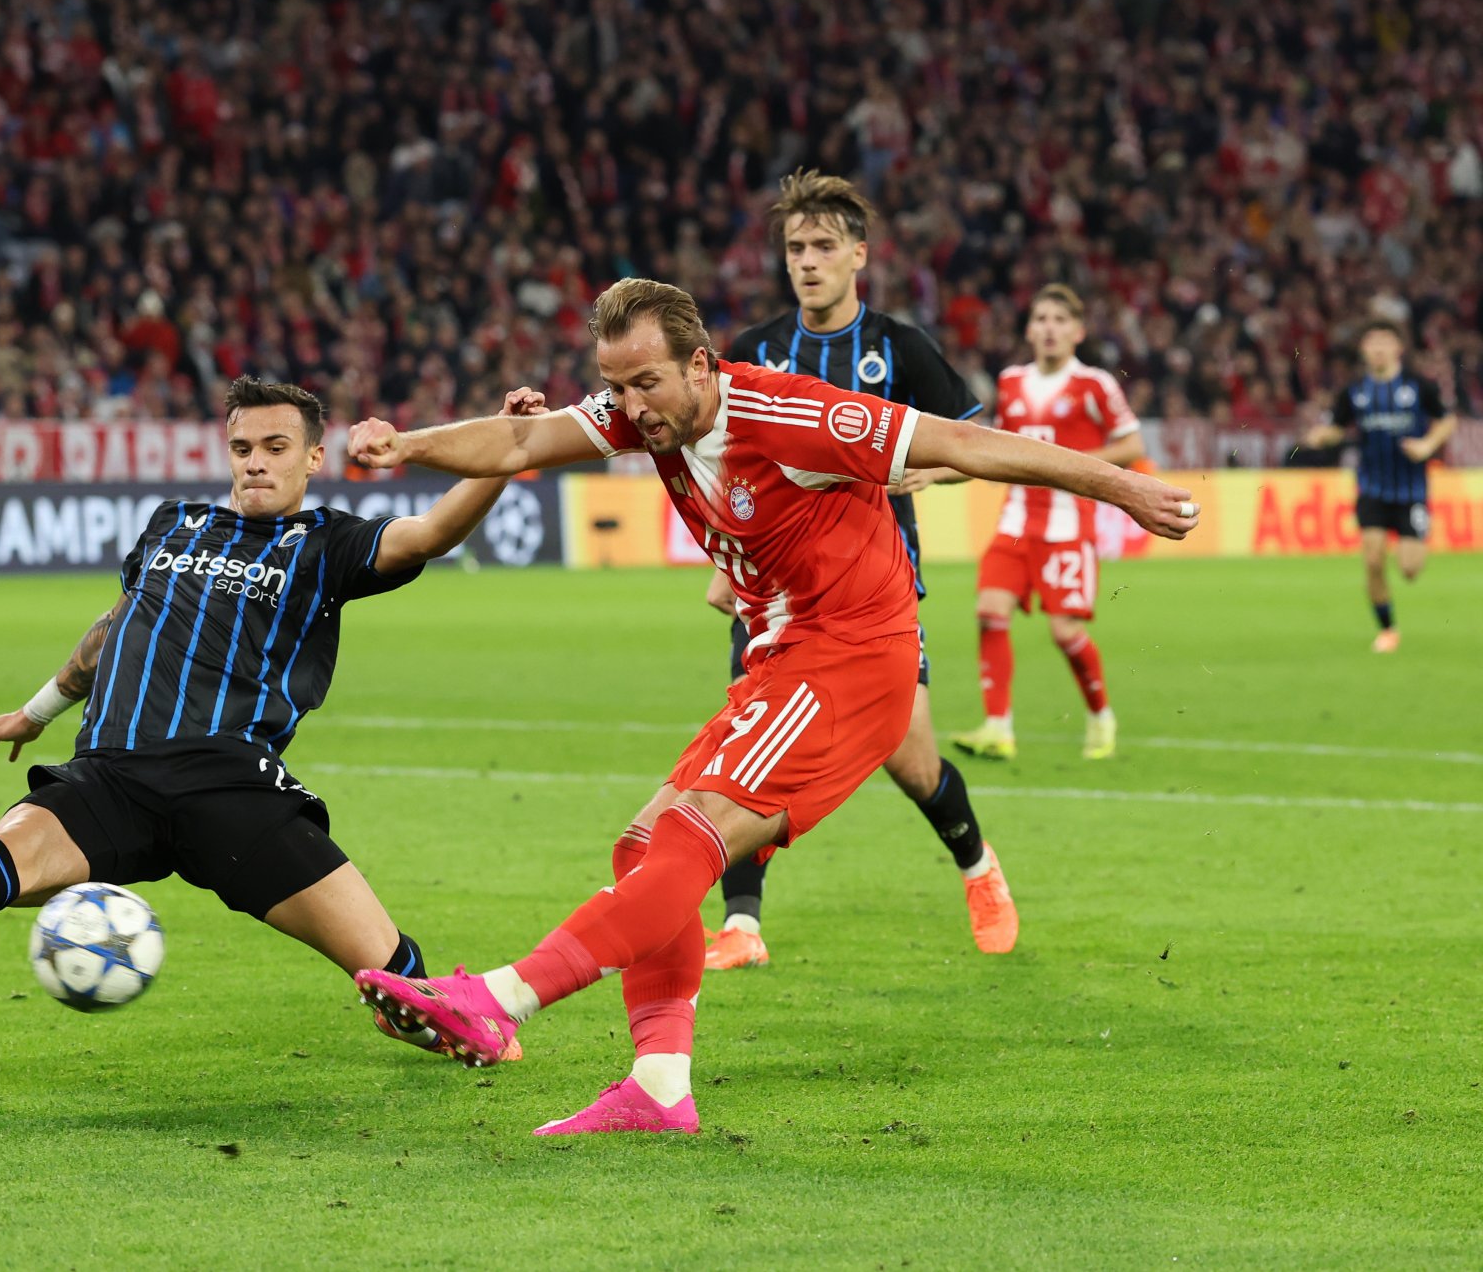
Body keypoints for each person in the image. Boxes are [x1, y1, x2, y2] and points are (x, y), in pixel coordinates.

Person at [348, 278, 1196, 1135]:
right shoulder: (650, 412)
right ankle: (659, 1086)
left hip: (851, 658)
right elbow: (521, 438)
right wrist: (404, 444)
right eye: (615, 386)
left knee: (691, 836)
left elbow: (966, 443)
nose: (631, 407)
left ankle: (501, 997)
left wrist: (1124, 487)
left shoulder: (794, 416)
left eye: (646, 383)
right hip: (782, 655)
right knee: (642, 845)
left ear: (701, 365)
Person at [0, 377, 539, 1061]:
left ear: (314, 457)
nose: (256, 461)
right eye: (243, 447)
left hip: (230, 788)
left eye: (276, 447)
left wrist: (507, 449)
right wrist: (36, 711)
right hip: (110, 775)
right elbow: (115, 628)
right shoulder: (173, 523)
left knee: (392, 975)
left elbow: (431, 532)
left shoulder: (326, 543)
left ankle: (453, 1022)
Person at [702, 169, 1015, 969]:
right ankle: (742, 924)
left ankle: (978, 866)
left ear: (859, 255)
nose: (807, 261)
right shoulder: (755, 352)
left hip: (875, 595)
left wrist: (924, 470)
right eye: (795, 247)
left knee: (911, 762)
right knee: (744, 753)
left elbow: (977, 446)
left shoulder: (897, 349)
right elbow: (724, 463)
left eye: (822, 246)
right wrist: (724, 557)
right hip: (771, 594)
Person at [951, 285, 1142, 762]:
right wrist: (936, 471)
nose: (1049, 328)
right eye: (1040, 319)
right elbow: (994, 449)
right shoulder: (1011, 381)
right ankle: (998, 727)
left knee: (1065, 633)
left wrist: (1072, 466)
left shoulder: (1094, 384)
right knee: (989, 611)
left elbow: (1132, 444)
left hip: (1068, 525)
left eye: (1060, 320)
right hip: (1015, 520)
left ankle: (1100, 714)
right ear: (1029, 330)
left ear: (1078, 332)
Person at [1301, 321, 1456, 652]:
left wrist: (1428, 445)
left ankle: (1412, 543)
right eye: (1372, 342)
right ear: (1363, 350)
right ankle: (1388, 630)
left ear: (1398, 348)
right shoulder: (1354, 391)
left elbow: (1447, 420)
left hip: (1412, 491)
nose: (1378, 348)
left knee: (1410, 569)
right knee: (1372, 560)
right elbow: (1339, 427)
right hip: (1371, 487)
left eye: (1385, 341)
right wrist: (1323, 435)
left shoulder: (1418, 386)